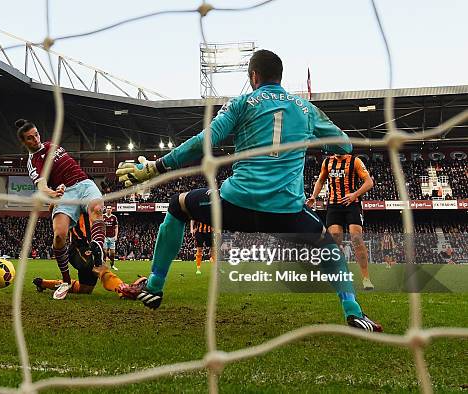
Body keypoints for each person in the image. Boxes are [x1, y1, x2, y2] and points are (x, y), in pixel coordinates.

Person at [116, 50, 382, 332]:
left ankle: (155, 286)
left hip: (236, 205)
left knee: (178, 205)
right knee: (331, 250)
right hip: (286, 213)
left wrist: (159, 166)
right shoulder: (305, 109)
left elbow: (205, 140)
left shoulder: (242, 103)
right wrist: (313, 140)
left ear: (254, 77)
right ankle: (353, 312)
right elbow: (344, 145)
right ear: (279, 76)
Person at [17, 119, 106, 299]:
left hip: (83, 183)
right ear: (24, 142)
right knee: (59, 236)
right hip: (64, 194)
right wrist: (53, 193)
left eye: (36, 134)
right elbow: (41, 186)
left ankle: (98, 250)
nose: (36, 139)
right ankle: (65, 280)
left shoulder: (51, 145)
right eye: (30, 138)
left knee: (97, 208)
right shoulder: (33, 161)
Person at [33, 212, 146, 299]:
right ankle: (123, 289)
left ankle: (42, 283)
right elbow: (53, 209)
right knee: (99, 268)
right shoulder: (75, 203)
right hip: (78, 248)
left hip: (93, 247)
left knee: (85, 289)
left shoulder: (94, 203)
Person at [307, 153, 375, 290]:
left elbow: (369, 182)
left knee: (356, 239)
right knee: (334, 241)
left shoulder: (355, 161)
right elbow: (320, 180)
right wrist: (314, 196)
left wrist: (354, 194)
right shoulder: (327, 162)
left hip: (352, 204)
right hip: (333, 206)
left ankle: (366, 278)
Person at [103, 206, 119, 270]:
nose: (108, 209)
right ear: (106, 209)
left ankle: (112, 265)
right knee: (105, 252)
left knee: (112, 253)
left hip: (112, 237)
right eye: (107, 208)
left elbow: (116, 227)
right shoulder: (102, 216)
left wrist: (116, 236)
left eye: (110, 208)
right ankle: (104, 265)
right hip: (105, 237)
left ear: (111, 210)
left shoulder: (114, 217)